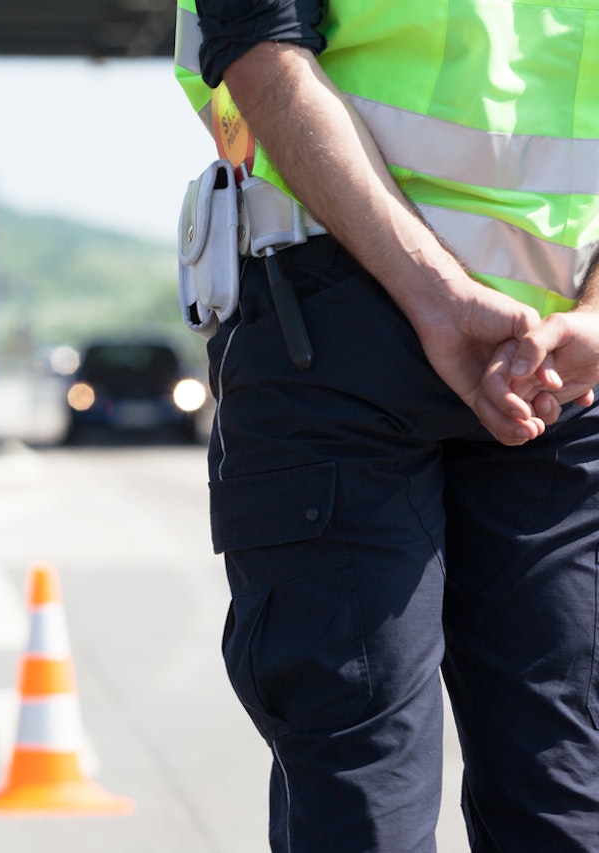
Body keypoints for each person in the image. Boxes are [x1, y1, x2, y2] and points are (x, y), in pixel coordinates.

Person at [174, 0, 599, 849]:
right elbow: (257, 41)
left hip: (531, 359)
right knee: (388, 793)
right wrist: (442, 297)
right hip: (363, 331)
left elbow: (258, 42)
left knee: (548, 792)